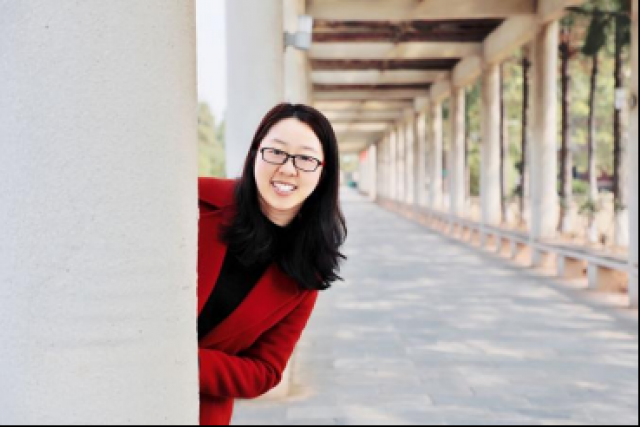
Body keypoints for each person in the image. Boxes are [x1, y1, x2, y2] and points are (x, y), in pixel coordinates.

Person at [197, 103, 347, 425]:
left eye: (305, 158)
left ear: (323, 172)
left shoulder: (307, 269)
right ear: (255, 154)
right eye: (276, 152)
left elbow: (264, 371)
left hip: (199, 411)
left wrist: (182, 362)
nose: (288, 169)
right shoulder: (195, 199)